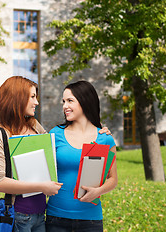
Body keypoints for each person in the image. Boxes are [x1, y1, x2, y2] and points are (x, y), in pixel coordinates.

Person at [0, 76, 62, 232]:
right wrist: (42, 186)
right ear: (17, 98)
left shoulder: (34, 125)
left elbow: (56, 148)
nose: (37, 102)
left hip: (41, 213)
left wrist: (95, 130)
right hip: (18, 216)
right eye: (32, 97)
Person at [45, 80, 118, 232]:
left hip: (90, 220)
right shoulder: (55, 134)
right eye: (63, 101)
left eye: (70, 101)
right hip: (56, 218)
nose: (65, 106)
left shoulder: (105, 139)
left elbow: (113, 179)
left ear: (84, 102)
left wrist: (98, 192)